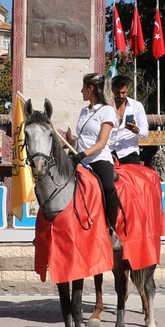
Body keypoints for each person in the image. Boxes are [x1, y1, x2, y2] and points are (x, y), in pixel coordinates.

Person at [65, 73, 120, 234]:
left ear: (90, 89)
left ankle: (111, 227)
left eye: (83, 88)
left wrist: (82, 154)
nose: (81, 91)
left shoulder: (107, 111)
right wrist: (69, 141)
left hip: (98, 159)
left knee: (108, 187)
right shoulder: (84, 111)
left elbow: (102, 143)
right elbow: (85, 137)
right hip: (78, 157)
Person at [109, 74, 150, 166]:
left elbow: (145, 132)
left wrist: (136, 130)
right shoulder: (106, 106)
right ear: (112, 90)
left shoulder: (137, 106)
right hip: (108, 151)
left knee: (134, 178)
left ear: (127, 89)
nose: (120, 96)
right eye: (117, 93)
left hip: (129, 151)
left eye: (123, 92)